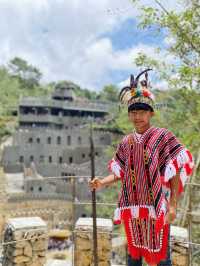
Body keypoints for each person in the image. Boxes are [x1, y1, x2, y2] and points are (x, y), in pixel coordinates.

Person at [89, 69, 194, 266]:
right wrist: (101, 182)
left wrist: (173, 205)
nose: (137, 116)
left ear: (151, 113)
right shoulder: (126, 142)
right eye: (133, 112)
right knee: (133, 256)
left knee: (162, 257)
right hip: (132, 206)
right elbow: (120, 172)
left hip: (157, 206)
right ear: (129, 115)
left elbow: (175, 168)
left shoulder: (163, 137)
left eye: (142, 112)